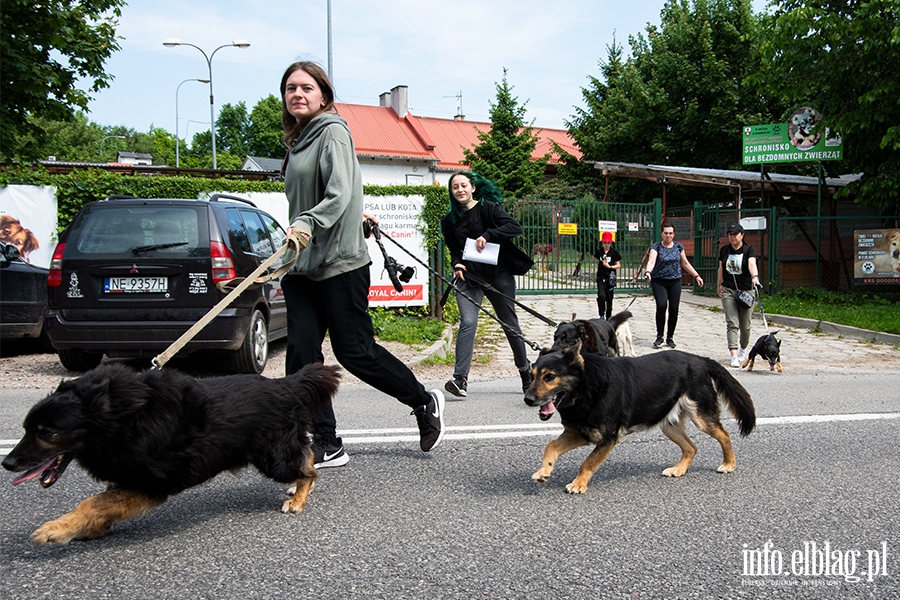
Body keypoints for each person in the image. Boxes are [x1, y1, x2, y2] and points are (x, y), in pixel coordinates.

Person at [279, 61, 445, 468]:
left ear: (323, 95)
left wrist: (306, 222)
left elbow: (339, 193)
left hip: (339, 263)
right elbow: (339, 198)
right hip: (302, 265)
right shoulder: (298, 141)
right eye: (290, 89)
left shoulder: (332, 132)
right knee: (301, 355)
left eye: (305, 87)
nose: (297, 94)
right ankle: (326, 440)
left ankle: (424, 401)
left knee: (355, 352)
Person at [440, 170, 535, 398]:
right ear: (452, 192)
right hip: (468, 278)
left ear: (473, 187)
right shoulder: (448, 220)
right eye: (455, 187)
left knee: (509, 323)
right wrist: (457, 265)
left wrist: (489, 235)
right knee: (468, 322)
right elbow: (454, 249)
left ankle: (525, 371)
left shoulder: (488, 208)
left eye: (464, 185)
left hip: (497, 276)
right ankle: (460, 379)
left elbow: (515, 227)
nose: (460, 190)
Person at [643, 223, 704, 349]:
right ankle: (659, 336)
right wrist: (648, 272)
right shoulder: (656, 247)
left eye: (670, 233)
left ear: (674, 234)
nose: (668, 236)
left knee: (674, 308)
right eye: (666, 233)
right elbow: (652, 261)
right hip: (659, 281)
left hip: (675, 281)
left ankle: (670, 337)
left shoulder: (678, 246)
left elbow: (685, 263)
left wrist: (696, 276)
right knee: (661, 305)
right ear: (662, 234)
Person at [716, 222, 761, 368]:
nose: (733, 237)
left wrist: (755, 277)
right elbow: (721, 268)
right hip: (729, 289)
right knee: (732, 322)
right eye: (730, 234)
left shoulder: (749, 250)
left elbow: (752, 264)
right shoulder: (724, 250)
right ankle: (734, 355)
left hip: (746, 290)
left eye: (735, 234)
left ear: (742, 235)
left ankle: (743, 348)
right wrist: (719, 285)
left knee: (745, 326)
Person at [593, 231, 621, 319]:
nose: (607, 245)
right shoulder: (599, 252)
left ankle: (609, 316)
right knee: (601, 295)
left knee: (609, 299)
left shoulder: (614, 252)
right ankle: (601, 314)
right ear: (602, 243)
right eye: (605, 243)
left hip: (610, 278)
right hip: (601, 277)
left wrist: (610, 267)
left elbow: (618, 265)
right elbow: (595, 258)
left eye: (608, 243)